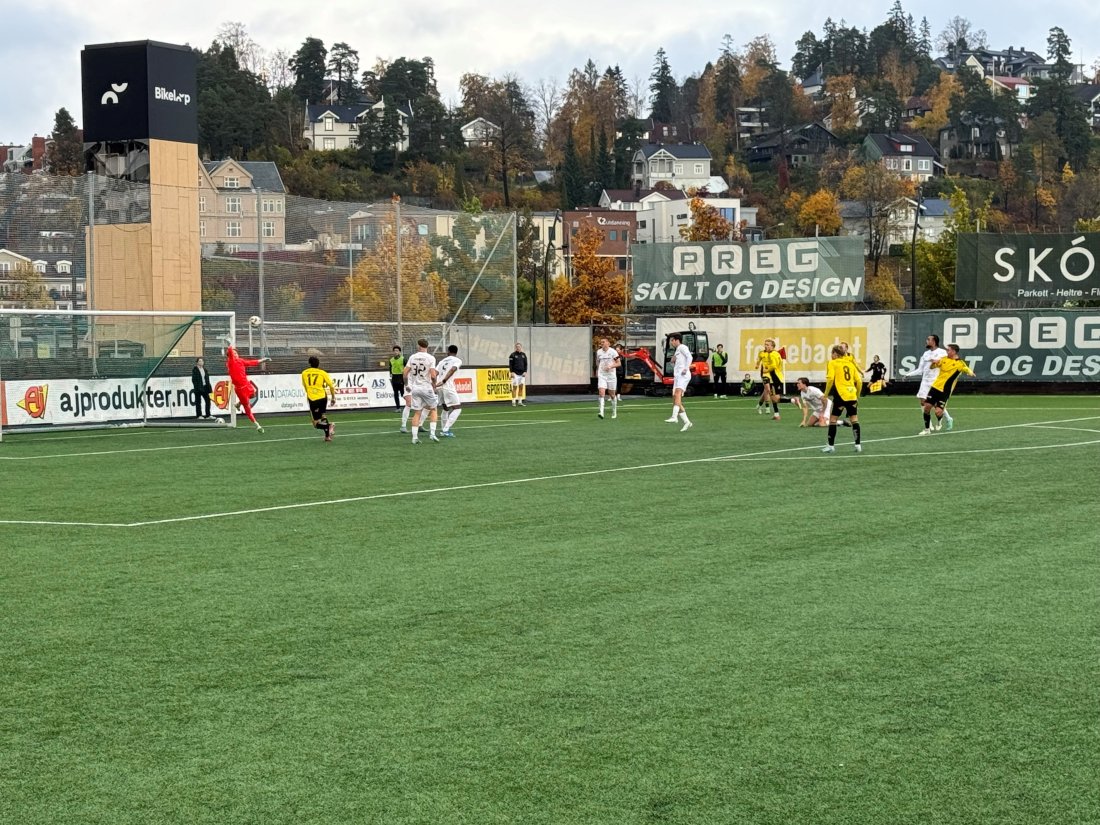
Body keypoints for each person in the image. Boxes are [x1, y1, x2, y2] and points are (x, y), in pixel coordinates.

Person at [921, 344, 976, 434]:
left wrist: (971, 372)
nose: (947, 351)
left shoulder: (960, 363)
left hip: (945, 391)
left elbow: (966, 369)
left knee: (938, 412)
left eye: (949, 350)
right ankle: (927, 429)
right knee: (927, 407)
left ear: (954, 352)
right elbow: (932, 367)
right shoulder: (943, 359)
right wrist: (934, 362)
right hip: (935, 387)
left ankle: (940, 420)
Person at [821, 344, 863, 453]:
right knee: (854, 419)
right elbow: (859, 381)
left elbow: (830, 379)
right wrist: (857, 395)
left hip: (840, 394)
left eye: (832, 353)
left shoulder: (832, 363)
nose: (831, 355)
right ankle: (858, 445)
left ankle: (831, 446)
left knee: (833, 420)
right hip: (851, 394)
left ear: (835, 354)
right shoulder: (850, 364)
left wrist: (825, 394)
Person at [904, 334, 948, 434]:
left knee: (936, 406)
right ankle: (928, 426)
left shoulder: (942, 352)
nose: (926, 341)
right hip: (925, 382)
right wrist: (908, 375)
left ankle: (940, 420)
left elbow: (944, 364)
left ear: (934, 341)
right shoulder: (925, 354)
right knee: (923, 403)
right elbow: (920, 369)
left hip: (936, 382)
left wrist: (935, 360)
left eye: (928, 339)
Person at [225, 341, 270, 433]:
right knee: (247, 408)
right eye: (233, 353)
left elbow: (251, 362)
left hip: (247, 385)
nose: (235, 354)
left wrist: (262, 360)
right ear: (230, 356)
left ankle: (238, 404)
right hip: (240, 389)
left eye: (236, 353)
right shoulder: (230, 362)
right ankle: (257, 425)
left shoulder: (240, 361)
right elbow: (229, 351)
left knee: (253, 395)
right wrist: (229, 343)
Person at [403, 338, 439, 443]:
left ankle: (414, 438)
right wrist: (434, 385)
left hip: (415, 388)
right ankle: (432, 434)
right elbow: (433, 375)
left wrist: (406, 385)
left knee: (417, 413)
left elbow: (405, 373)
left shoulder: (412, 357)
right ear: (427, 346)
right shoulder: (431, 358)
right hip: (426, 387)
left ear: (419, 346)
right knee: (433, 409)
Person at [301, 355, 337, 441]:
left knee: (316, 424)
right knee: (323, 416)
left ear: (309, 363)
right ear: (318, 364)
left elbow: (305, 386)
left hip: (313, 399)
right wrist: (333, 398)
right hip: (323, 397)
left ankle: (329, 425)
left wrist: (310, 393)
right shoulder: (322, 373)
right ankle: (327, 436)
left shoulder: (304, 373)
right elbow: (331, 387)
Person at [664, 332, 693, 432]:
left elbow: (690, 357)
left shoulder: (682, 347)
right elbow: (677, 364)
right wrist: (672, 362)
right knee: (675, 398)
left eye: (672, 340)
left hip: (683, 375)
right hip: (677, 377)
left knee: (677, 394)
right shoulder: (677, 350)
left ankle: (674, 416)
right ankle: (687, 422)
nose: (671, 342)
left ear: (677, 340)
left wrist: (686, 368)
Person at [435, 344, 463, 437]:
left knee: (446, 408)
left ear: (448, 351)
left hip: (439, 387)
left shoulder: (442, 361)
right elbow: (452, 369)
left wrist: (434, 384)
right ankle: (445, 430)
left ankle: (444, 430)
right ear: (456, 352)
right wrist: (444, 381)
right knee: (457, 408)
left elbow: (435, 373)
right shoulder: (457, 360)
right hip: (447, 386)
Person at [755, 338, 784, 420]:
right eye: (765, 344)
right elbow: (759, 359)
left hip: (772, 375)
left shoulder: (774, 354)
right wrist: (757, 365)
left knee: (769, 392)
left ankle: (760, 404)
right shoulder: (761, 353)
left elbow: (775, 366)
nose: (765, 346)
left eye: (767, 345)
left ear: (772, 346)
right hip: (765, 373)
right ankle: (768, 407)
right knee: (768, 389)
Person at [595, 337, 620, 419]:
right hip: (602, 375)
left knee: (612, 394)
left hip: (611, 375)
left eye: (603, 342)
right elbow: (598, 362)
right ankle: (601, 412)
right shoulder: (599, 352)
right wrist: (598, 370)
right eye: (601, 342)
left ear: (608, 343)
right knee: (601, 392)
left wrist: (610, 366)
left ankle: (614, 412)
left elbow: (618, 363)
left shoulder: (613, 352)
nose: (602, 343)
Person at [509, 342, 528, 406]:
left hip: (522, 374)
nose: (518, 348)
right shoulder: (512, 355)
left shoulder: (524, 355)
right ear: (515, 348)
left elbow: (526, 364)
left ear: (521, 347)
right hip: (515, 374)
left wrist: (525, 371)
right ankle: (513, 401)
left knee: (521, 387)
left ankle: (520, 401)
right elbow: (510, 364)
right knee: (514, 387)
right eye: (517, 347)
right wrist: (512, 372)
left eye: (519, 347)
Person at [388, 346, 405, 411]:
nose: (395, 352)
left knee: (403, 393)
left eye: (397, 351)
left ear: (399, 352)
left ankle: (409, 405)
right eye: (394, 351)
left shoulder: (403, 359)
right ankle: (398, 408)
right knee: (395, 393)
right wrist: (390, 375)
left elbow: (406, 368)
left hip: (401, 377)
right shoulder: (391, 360)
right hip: (394, 377)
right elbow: (390, 368)